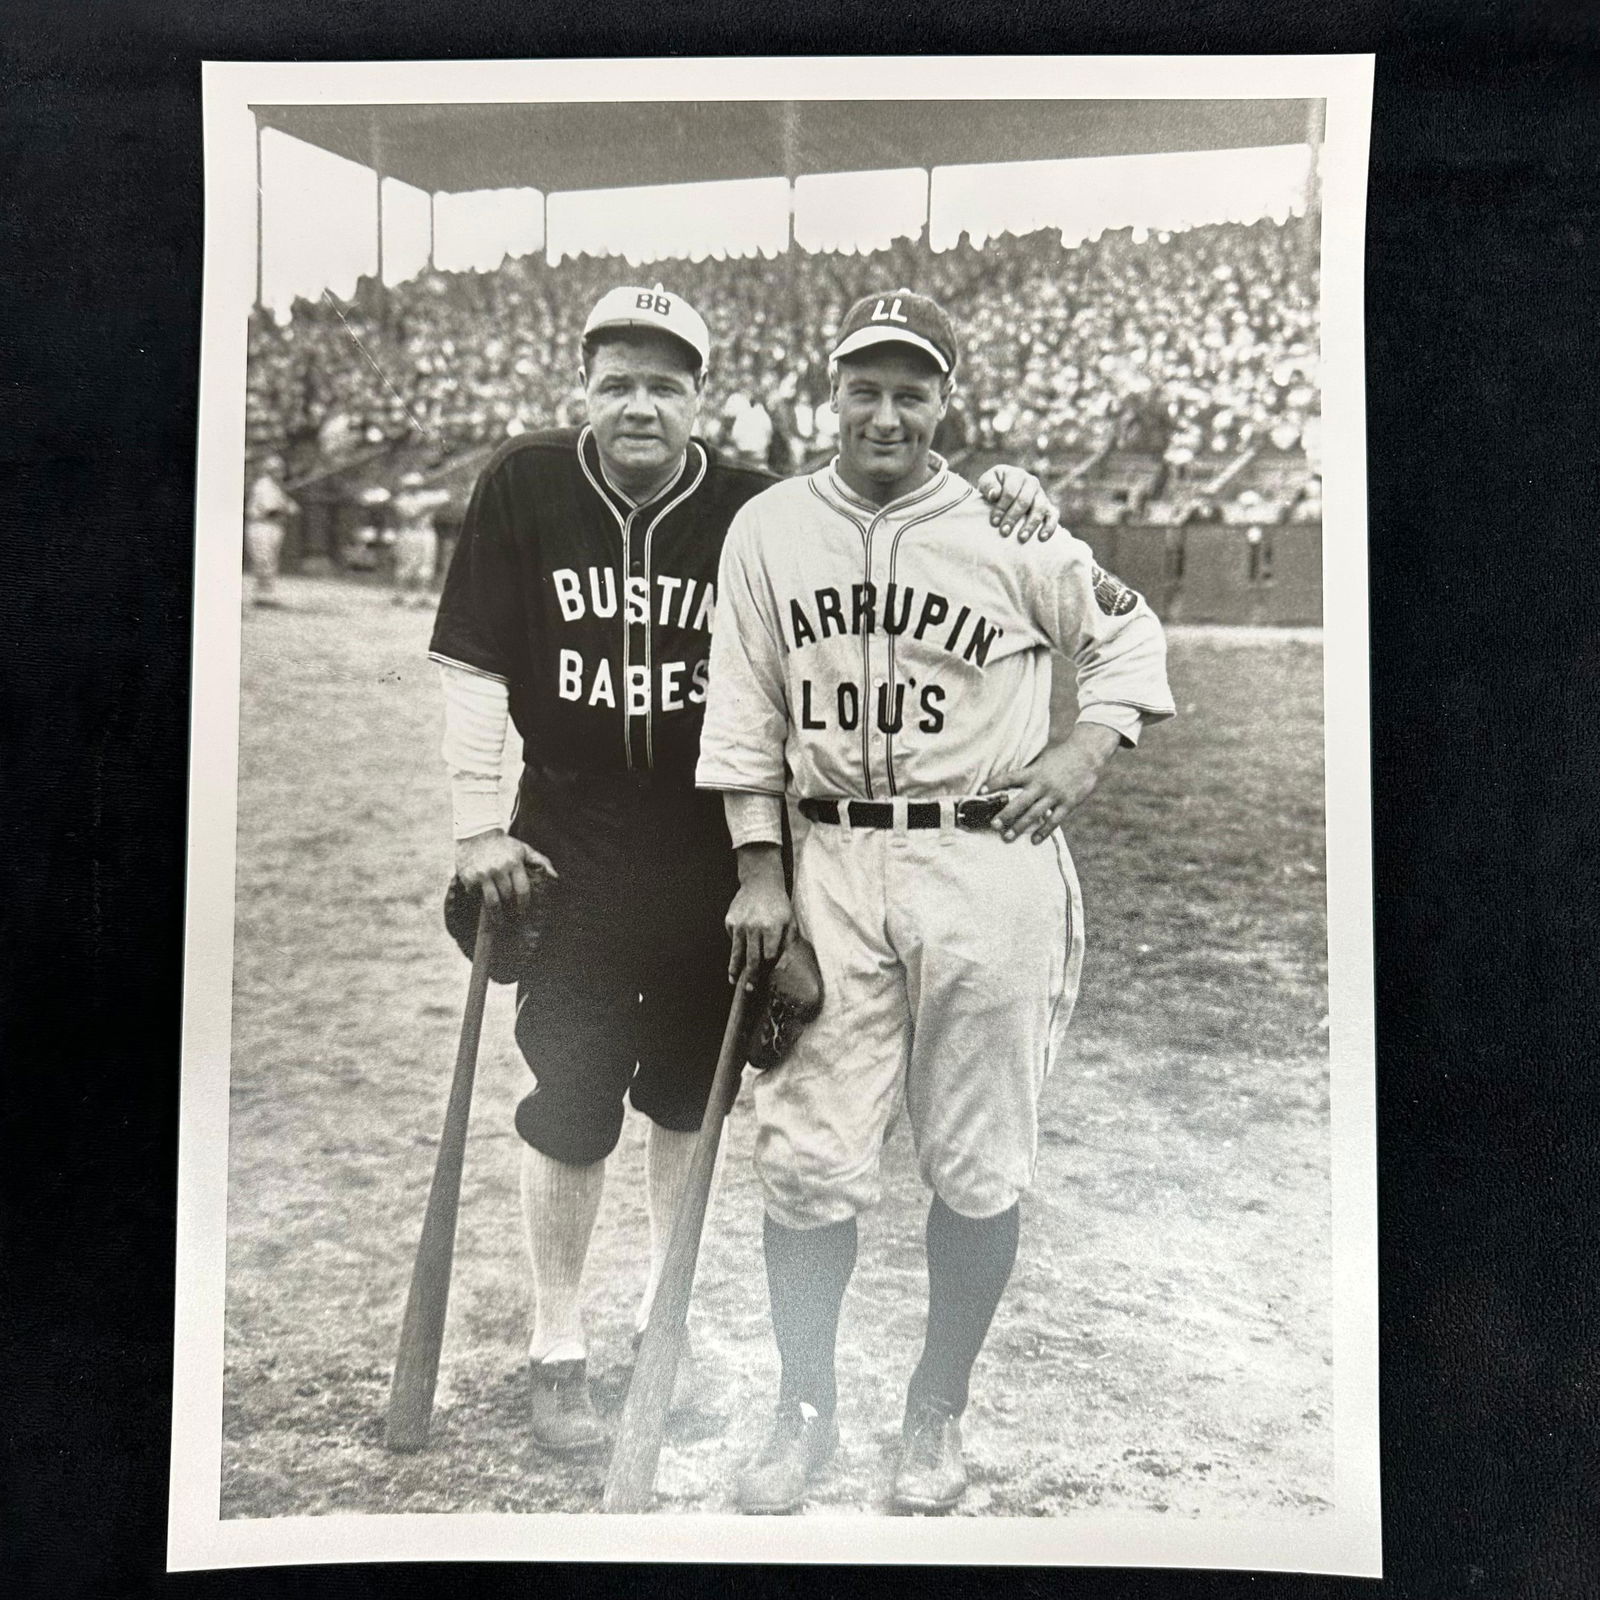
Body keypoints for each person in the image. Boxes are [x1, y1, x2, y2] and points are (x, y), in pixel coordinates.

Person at [427, 284, 1066, 1457]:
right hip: (564, 836)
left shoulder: (750, 508)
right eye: (618, 380)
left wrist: (1010, 491)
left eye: (665, 384)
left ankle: (662, 1329)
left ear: (699, 399)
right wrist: (478, 827)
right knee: (567, 1101)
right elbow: (472, 669)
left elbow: (870, 555)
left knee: (691, 1097)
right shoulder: (522, 483)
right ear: (583, 383)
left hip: (707, 848)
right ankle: (556, 1347)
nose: (640, 405)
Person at [696, 289, 1177, 1515]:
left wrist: (1083, 748)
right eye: (866, 386)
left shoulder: (1011, 527)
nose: (886, 411)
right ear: (832, 392)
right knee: (806, 1159)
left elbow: (1127, 639)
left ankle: (936, 1411)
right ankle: (804, 1407)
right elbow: (744, 704)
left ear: (944, 405)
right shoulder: (765, 528)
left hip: (984, 862)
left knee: (974, 1164)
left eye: (912, 390)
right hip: (832, 866)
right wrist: (759, 864)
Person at [390, 470, 451, 608]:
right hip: (409, 533)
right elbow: (411, 516)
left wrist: (442, 482)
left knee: (426, 563)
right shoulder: (401, 500)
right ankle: (399, 595)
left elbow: (446, 496)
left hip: (426, 532)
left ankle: (423, 596)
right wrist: (427, 508)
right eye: (411, 485)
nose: (414, 488)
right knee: (406, 564)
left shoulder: (425, 496)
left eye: (417, 485)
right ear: (405, 486)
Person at [243, 453, 295, 606]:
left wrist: (287, 506)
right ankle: (262, 596)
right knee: (264, 560)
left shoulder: (276, 487)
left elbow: (288, 506)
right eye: (276, 469)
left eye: (280, 469)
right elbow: (271, 511)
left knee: (269, 561)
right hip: (261, 525)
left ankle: (265, 595)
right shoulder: (263, 485)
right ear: (269, 470)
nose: (280, 472)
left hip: (273, 526)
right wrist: (287, 508)